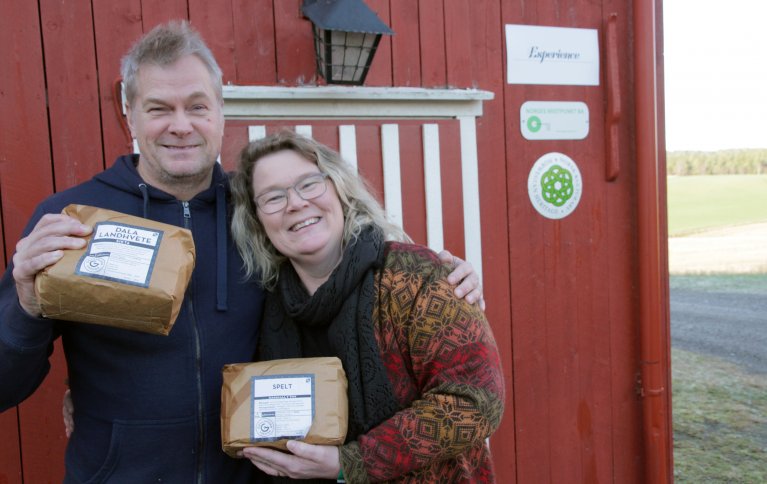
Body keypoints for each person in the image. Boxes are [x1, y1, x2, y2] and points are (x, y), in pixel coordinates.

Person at [0, 20, 483, 483]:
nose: (181, 125)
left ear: (220, 111)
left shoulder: (260, 212)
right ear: (129, 113)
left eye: (197, 106)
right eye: (159, 109)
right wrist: (25, 302)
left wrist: (439, 278)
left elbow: (341, 274)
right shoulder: (73, 218)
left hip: (249, 476)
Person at [229, 131, 505, 483]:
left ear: (339, 190)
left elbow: (476, 400)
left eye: (309, 184)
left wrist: (349, 463)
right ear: (257, 221)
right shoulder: (264, 307)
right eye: (272, 198)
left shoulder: (417, 277)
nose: (295, 203)